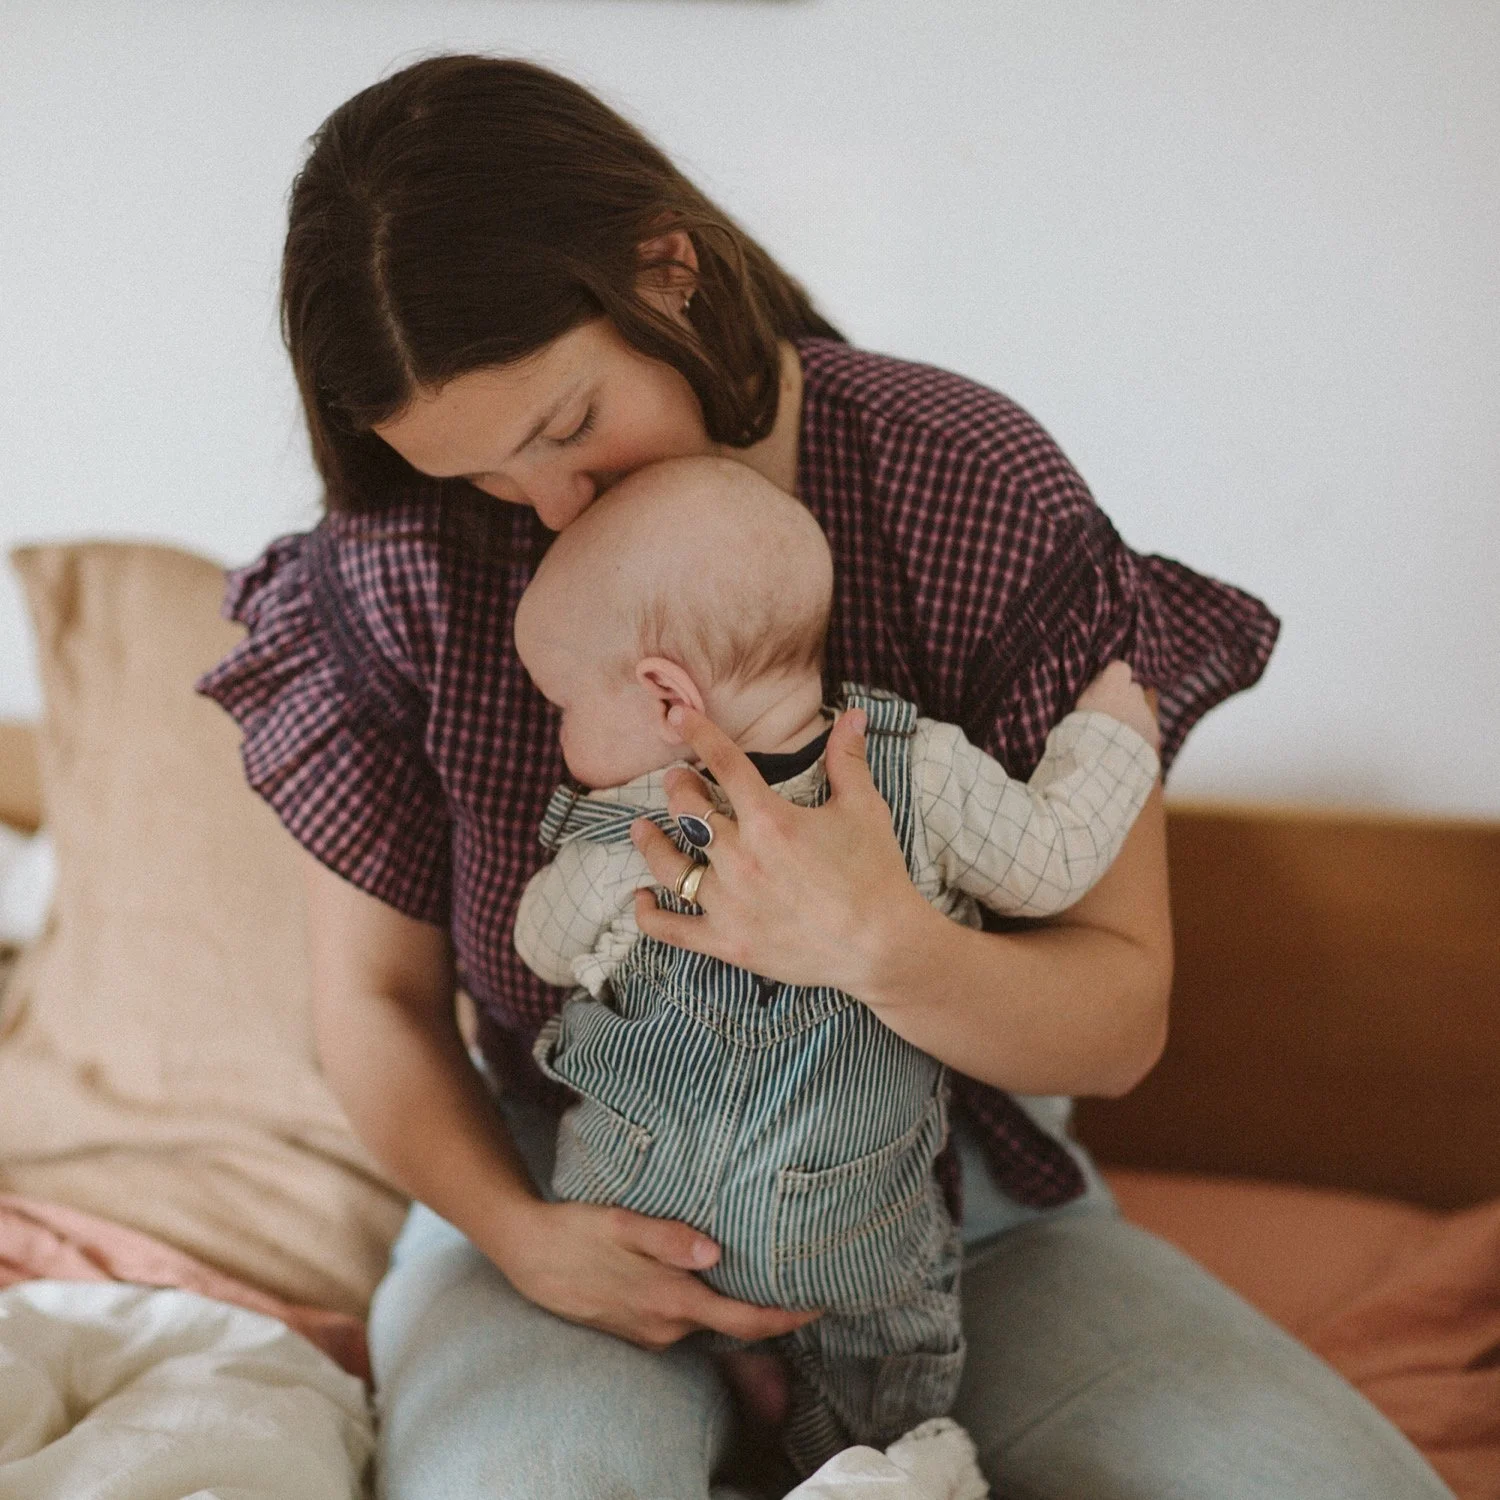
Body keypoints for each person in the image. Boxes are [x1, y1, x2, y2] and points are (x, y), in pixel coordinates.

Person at [198, 53, 1454, 1500]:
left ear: (662, 269)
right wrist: (527, 1238)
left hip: (953, 1202)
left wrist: (878, 946)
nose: (542, 512)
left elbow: (1116, 1021)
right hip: (568, 1188)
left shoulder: (952, 480)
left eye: (565, 430)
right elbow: (370, 1006)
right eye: (478, 476)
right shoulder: (402, 561)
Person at [509, 455, 1161, 1478]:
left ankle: (758, 1405)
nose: (558, 736)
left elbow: (542, 946)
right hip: (842, 1262)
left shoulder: (634, 825)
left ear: (664, 694)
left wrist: (607, 889)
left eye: (560, 706)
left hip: (634, 1203)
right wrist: (1115, 731)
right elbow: (1053, 857)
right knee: (884, 1439)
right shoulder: (923, 774)